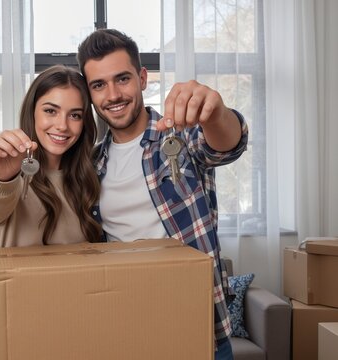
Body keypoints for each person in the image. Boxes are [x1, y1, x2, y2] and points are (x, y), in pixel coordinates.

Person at [77, 29, 249, 359]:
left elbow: (228, 145)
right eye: (99, 85)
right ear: (90, 93)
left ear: (142, 78)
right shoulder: (91, 163)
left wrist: (215, 113)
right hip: (123, 325)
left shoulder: (180, 136)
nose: (113, 94)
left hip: (196, 321)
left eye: (122, 79)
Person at [0, 64, 102, 247]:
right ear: (32, 111)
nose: (62, 126)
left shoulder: (88, 174)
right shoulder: (6, 171)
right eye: (51, 111)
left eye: (75, 115)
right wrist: (3, 178)